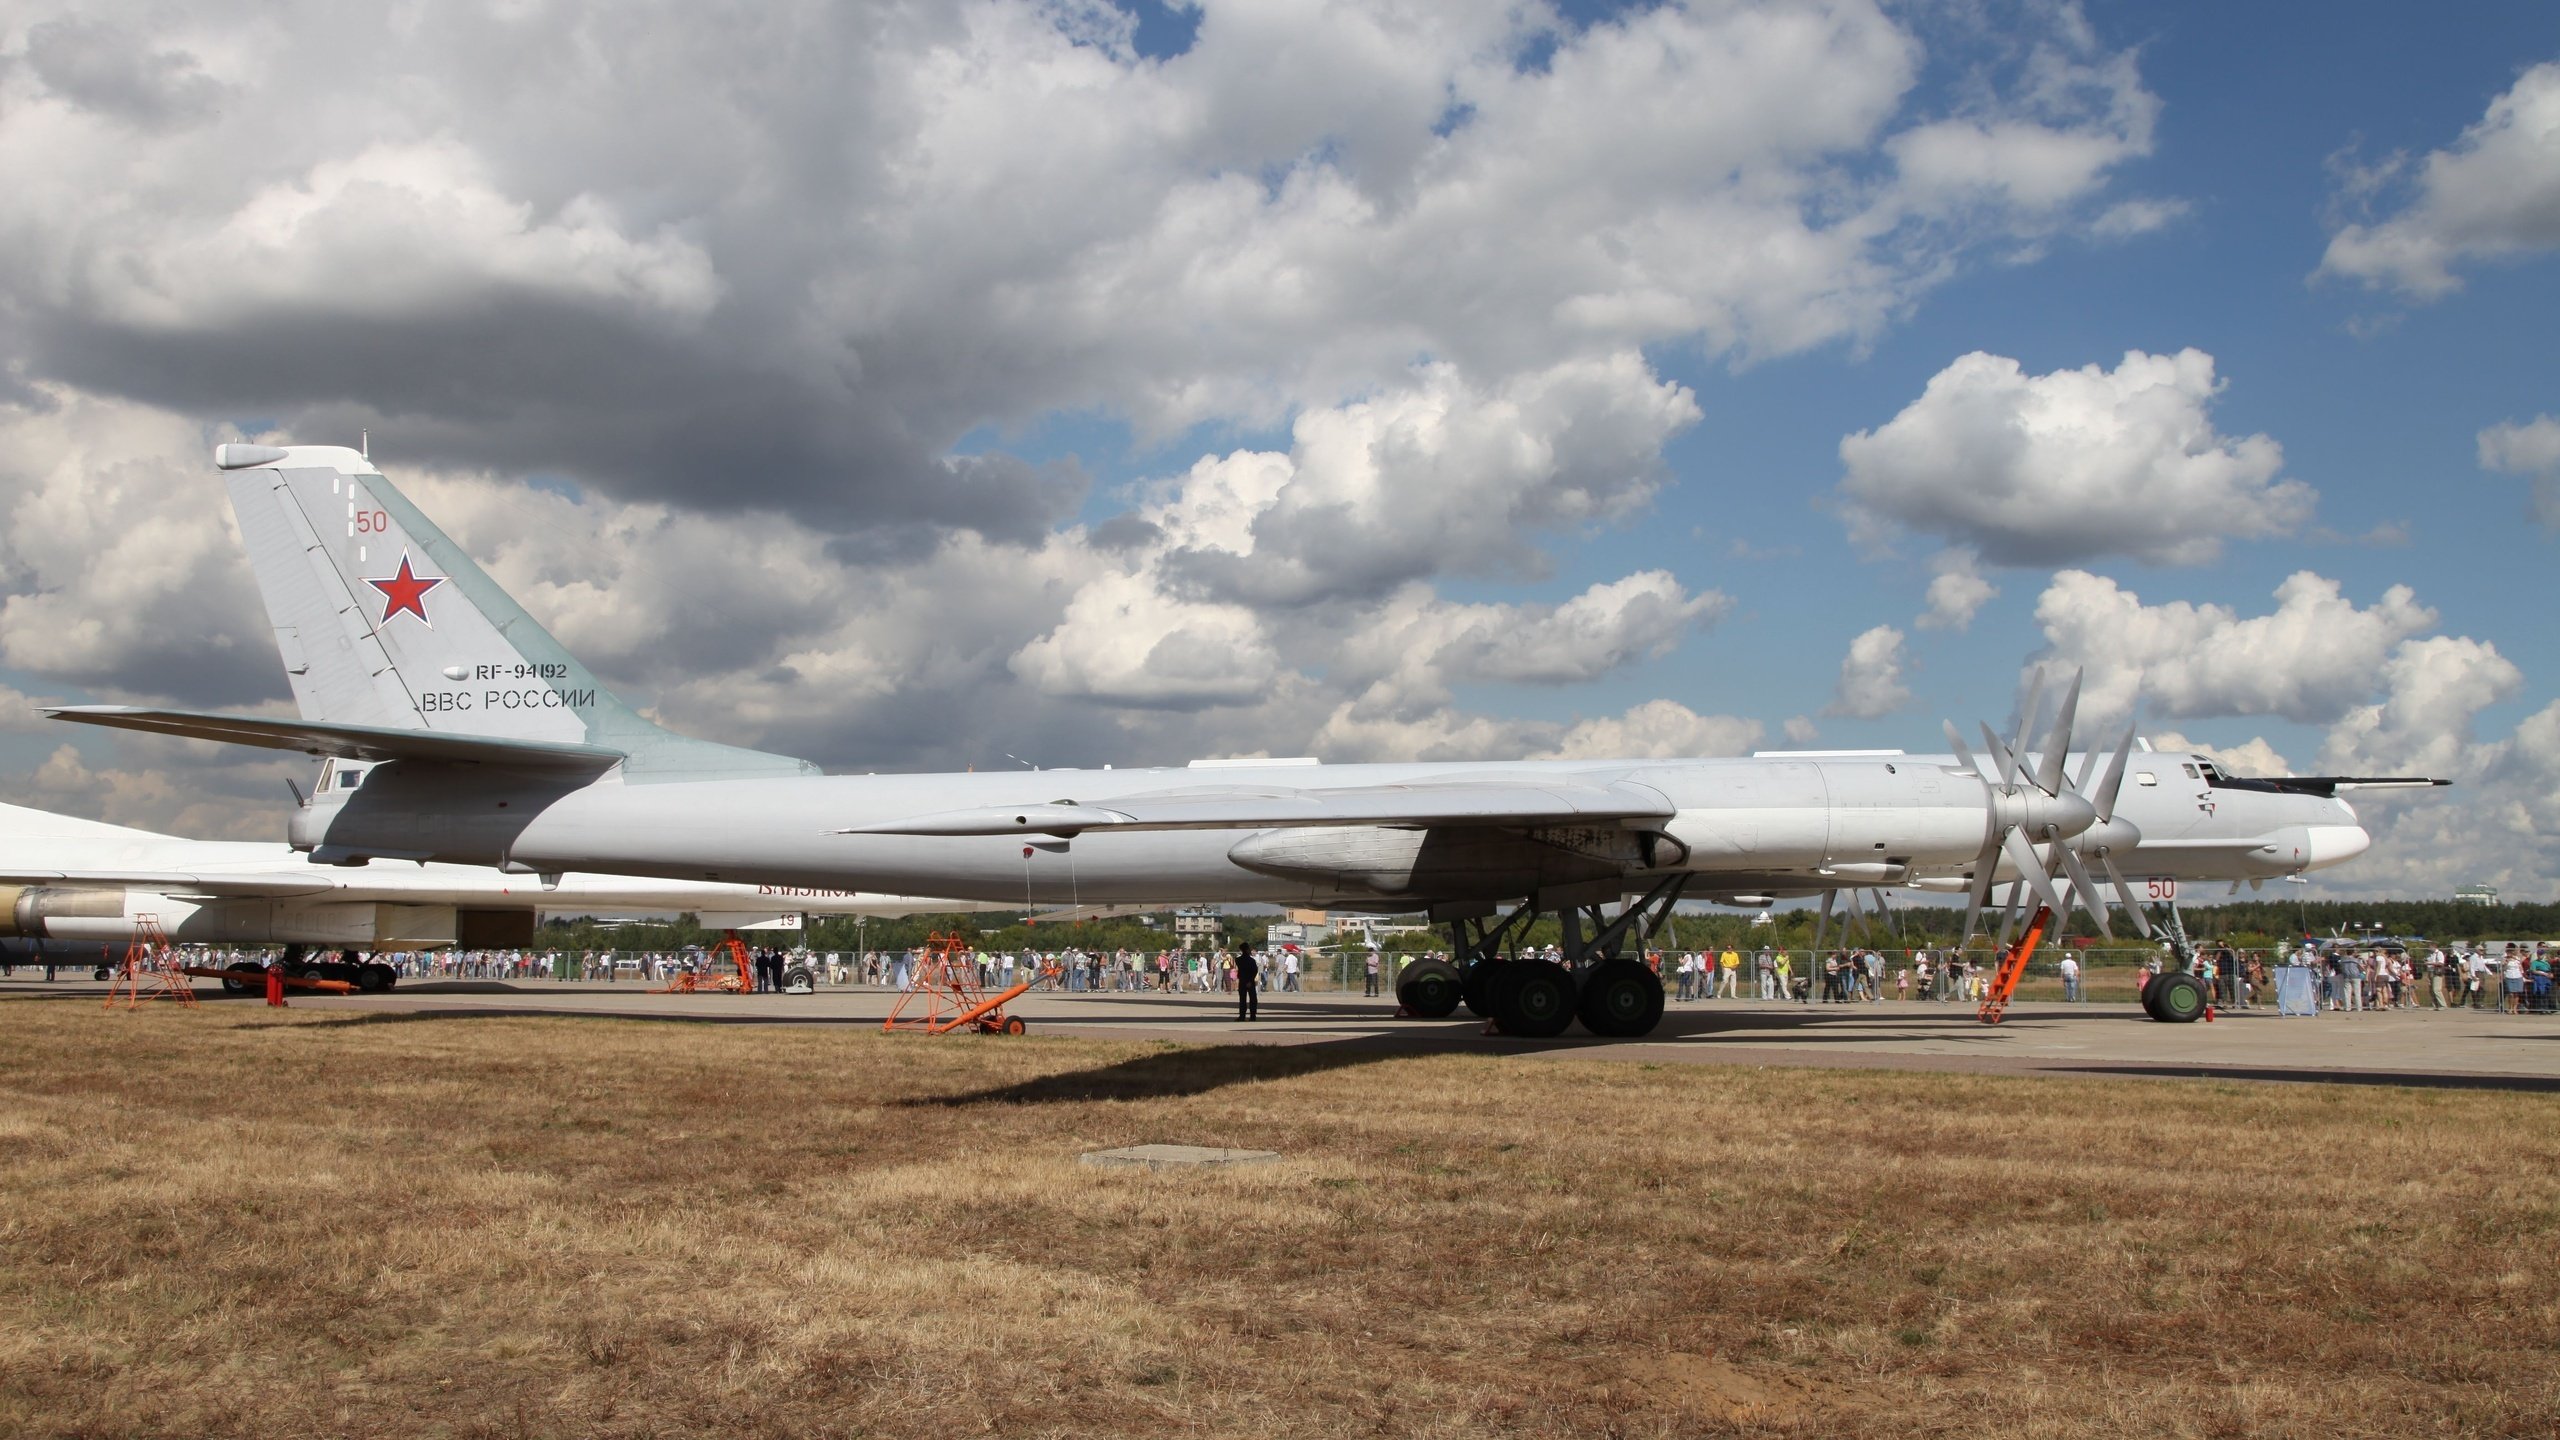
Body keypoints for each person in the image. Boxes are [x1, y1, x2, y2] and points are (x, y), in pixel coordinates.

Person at [1234, 942, 1260, 1021]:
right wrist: (1250, 980)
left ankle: (1242, 1016)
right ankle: (1253, 1015)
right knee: (1253, 999)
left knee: (1242, 999)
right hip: (1250, 980)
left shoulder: (1238, 960)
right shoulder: (1251, 961)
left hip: (1243, 980)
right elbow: (1255, 970)